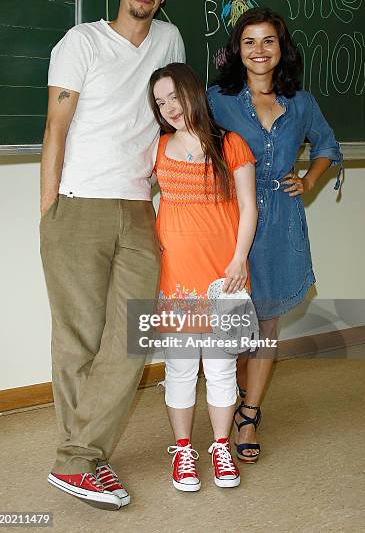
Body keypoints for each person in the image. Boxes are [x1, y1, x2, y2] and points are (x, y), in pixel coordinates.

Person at [40, 0, 185, 509]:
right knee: (76, 340)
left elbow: (177, 114)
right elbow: (55, 126)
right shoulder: (81, 42)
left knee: (132, 334)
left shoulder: (170, 40)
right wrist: (50, 209)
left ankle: (76, 456)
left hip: (138, 207)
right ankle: (81, 462)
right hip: (77, 203)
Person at [207, 7, 342, 464]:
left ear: (281, 49)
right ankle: (226, 401)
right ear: (236, 50)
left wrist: (307, 180)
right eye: (249, 41)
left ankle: (249, 413)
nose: (259, 50)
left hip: (282, 226)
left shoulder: (300, 102)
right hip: (231, 224)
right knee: (231, 323)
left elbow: (327, 145)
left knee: (265, 327)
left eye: (268, 41)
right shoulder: (217, 100)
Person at [148, 63, 258, 491]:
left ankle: (219, 446)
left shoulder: (230, 144)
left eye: (174, 96)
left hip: (223, 279)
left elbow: (248, 207)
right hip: (175, 278)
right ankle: (182, 451)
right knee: (178, 369)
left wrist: (238, 259)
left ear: (193, 92)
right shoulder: (157, 148)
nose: (169, 108)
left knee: (220, 368)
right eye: (160, 102)